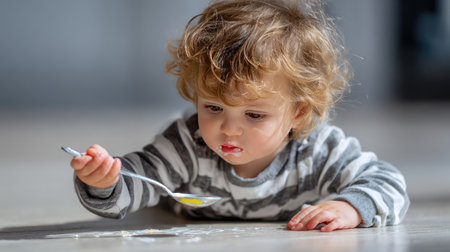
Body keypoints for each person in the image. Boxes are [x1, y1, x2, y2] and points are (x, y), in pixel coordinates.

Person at [69, 0, 409, 232]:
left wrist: (349, 208)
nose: (229, 129)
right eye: (213, 108)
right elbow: (135, 183)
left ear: (298, 112)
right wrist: (104, 181)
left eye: (254, 115)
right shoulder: (188, 143)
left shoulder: (316, 150)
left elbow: (389, 183)